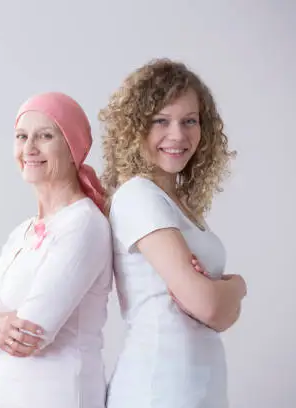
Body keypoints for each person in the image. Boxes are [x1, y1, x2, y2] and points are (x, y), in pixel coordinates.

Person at [100, 58, 248, 408]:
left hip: (196, 386)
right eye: (160, 121)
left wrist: (217, 296)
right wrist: (238, 286)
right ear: (134, 128)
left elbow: (219, 314)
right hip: (159, 388)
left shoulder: (175, 204)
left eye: (189, 121)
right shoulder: (138, 195)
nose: (178, 135)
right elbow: (210, 308)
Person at [0, 92, 113, 408]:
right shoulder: (23, 232)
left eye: (45, 136)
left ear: (72, 148)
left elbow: (29, 336)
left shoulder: (83, 225)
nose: (29, 148)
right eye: (21, 136)